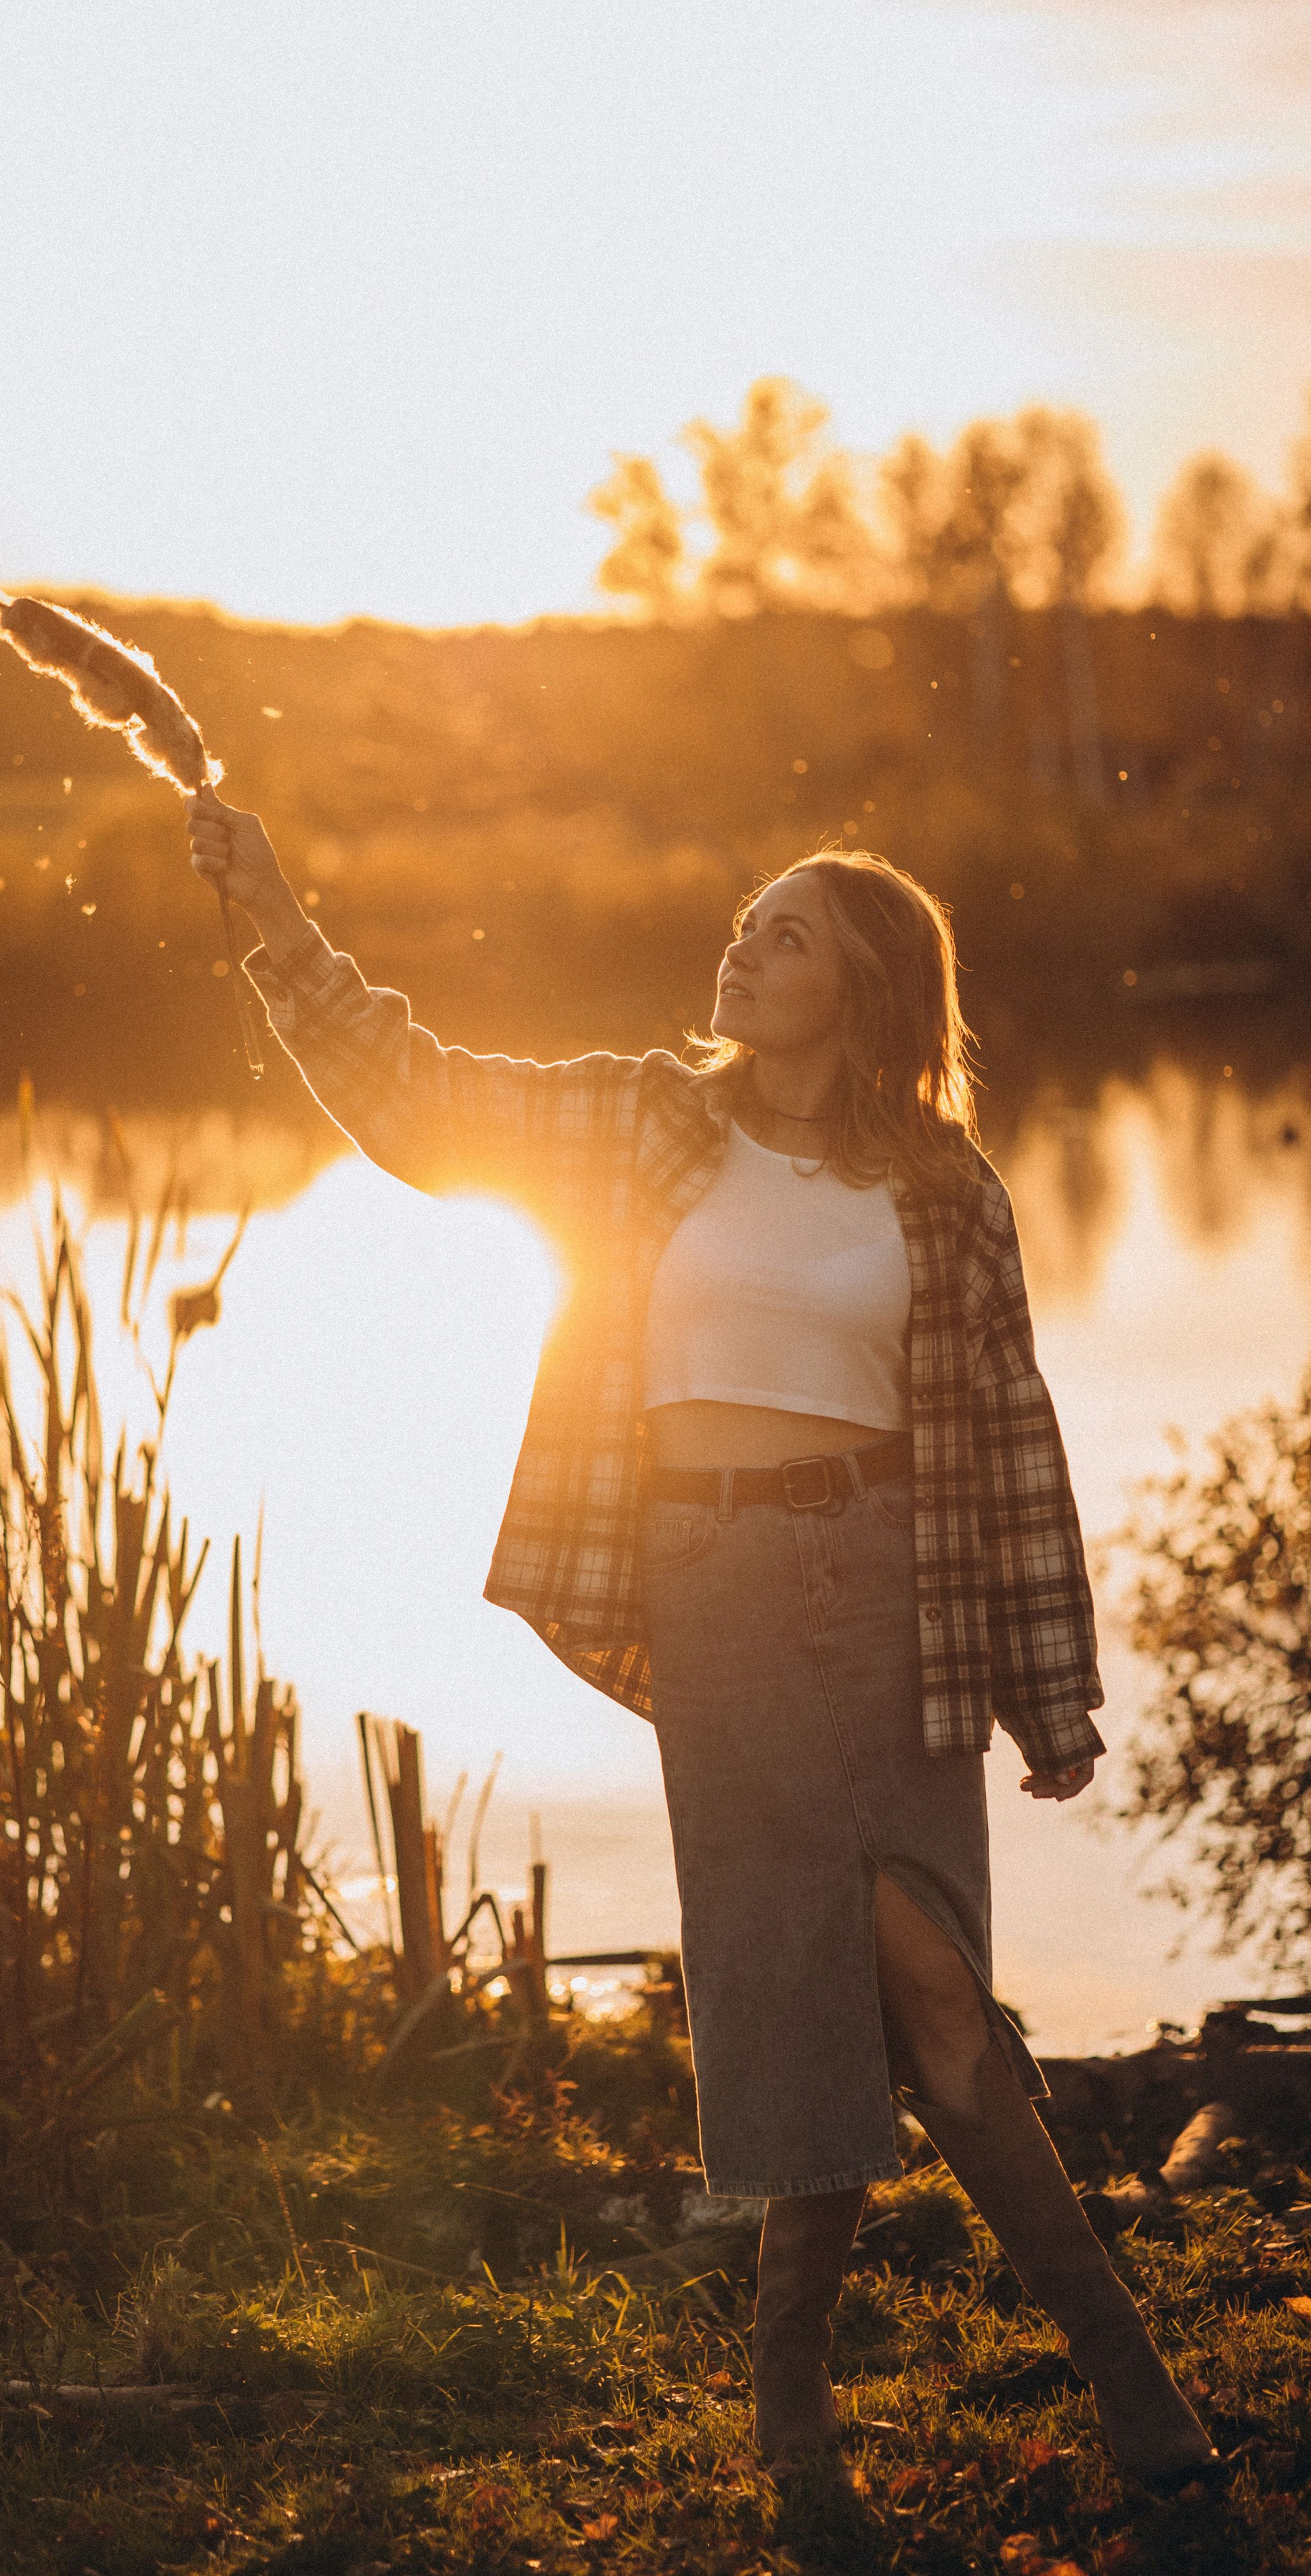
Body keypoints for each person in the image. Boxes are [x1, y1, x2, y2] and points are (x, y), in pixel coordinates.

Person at [185, 786, 1217, 2486]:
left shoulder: (942, 1187)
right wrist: (275, 917)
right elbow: (413, 1097)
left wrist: (1051, 1697)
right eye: (742, 921)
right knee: (840, 1981)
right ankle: (953, 2391)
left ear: (865, 985)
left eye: (785, 931)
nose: (742, 945)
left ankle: (999, 2393)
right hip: (716, 1596)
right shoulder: (640, 1123)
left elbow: (1007, 1437)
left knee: (915, 1990)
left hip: (893, 1600)